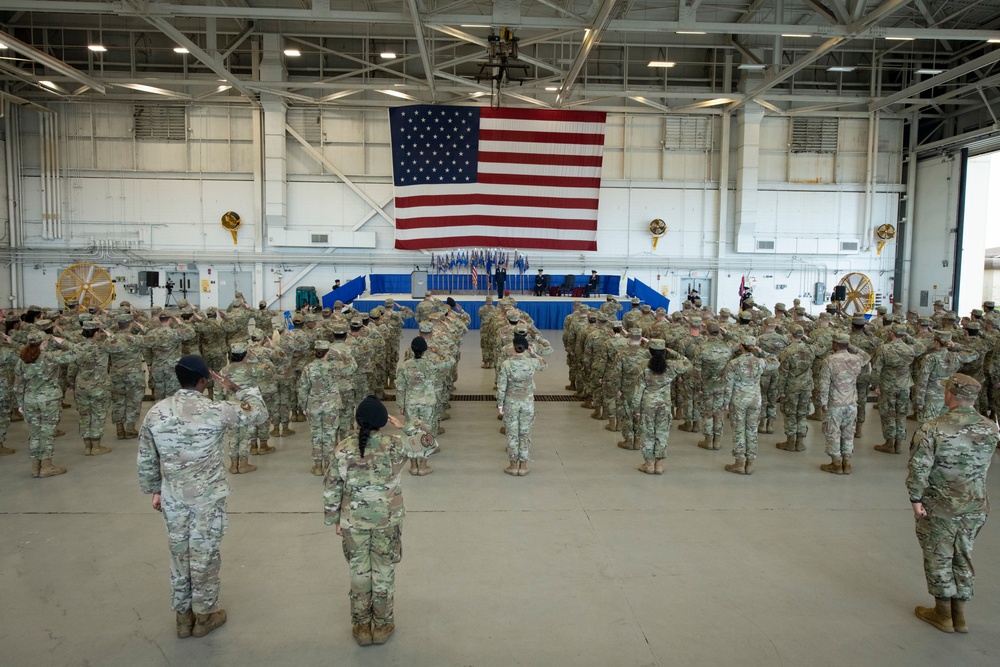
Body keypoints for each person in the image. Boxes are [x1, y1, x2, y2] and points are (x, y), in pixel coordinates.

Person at [136, 355, 268, 639]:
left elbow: (147, 457)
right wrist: (237, 388)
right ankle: (204, 616)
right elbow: (258, 413)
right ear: (203, 381)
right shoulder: (216, 410)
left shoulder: (157, 412)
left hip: (173, 497)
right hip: (206, 499)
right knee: (204, 555)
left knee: (179, 555)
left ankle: (183, 618)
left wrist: (155, 490)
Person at [324, 395, 435, 646]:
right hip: (387, 521)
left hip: (354, 522)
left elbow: (332, 488)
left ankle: (362, 626)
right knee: (384, 571)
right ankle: (382, 626)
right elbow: (428, 444)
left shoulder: (342, 448)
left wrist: (335, 520)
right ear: (383, 421)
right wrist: (407, 425)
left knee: (359, 572)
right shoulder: (395, 445)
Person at [907, 373, 997, 634]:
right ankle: (960, 616)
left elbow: (918, 469)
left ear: (949, 394)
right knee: (963, 554)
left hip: (940, 505)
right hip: (975, 505)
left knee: (938, 555)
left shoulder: (933, 428)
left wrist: (915, 499)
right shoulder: (990, 427)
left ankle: (943, 613)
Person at [14, 330, 77, 477]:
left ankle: (35, 467)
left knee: (34, 434)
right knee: (47, 433)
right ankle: (47, 466)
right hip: (49, 401)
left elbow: (17, 386)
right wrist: (62, 342)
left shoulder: (22, 360)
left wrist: (20, 404)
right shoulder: (50, 357)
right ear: (44, 342)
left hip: (29, 401)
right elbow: (77, 352)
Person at [635, 339, 691, 474]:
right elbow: (688, 363)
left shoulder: (643, 366)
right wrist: (670, 351)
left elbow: (638, 390)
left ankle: (649, 464)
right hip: (665, 405)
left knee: (648, 433)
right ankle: (659, 465)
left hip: (648, 404)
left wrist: (636, 409)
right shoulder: (671, 366)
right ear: (664, 351)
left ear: (650, 351)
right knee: (662, 434)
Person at [817, 333, 870, 475]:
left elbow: (824, 384)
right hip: (851, 402)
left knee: (833, 433)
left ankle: (836, 464)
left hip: (835, 403)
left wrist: (823, 403)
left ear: (835, 344)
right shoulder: (856, 359)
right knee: (848, 433)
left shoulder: (829, 360)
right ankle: (847, 463)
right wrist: (850, 345)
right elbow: (867, 356)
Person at [497, 333, 546, 476]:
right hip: (527, 402)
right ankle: (523, 465)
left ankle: (513, 466)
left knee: (512, 434)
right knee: (525, 433)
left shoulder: (506, 364)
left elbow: (501, 387)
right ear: (525, 348)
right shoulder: (531, 362)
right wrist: (533, 354)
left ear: (513, 347)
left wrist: (500, 405)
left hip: (511, 402)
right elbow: (544, 365)